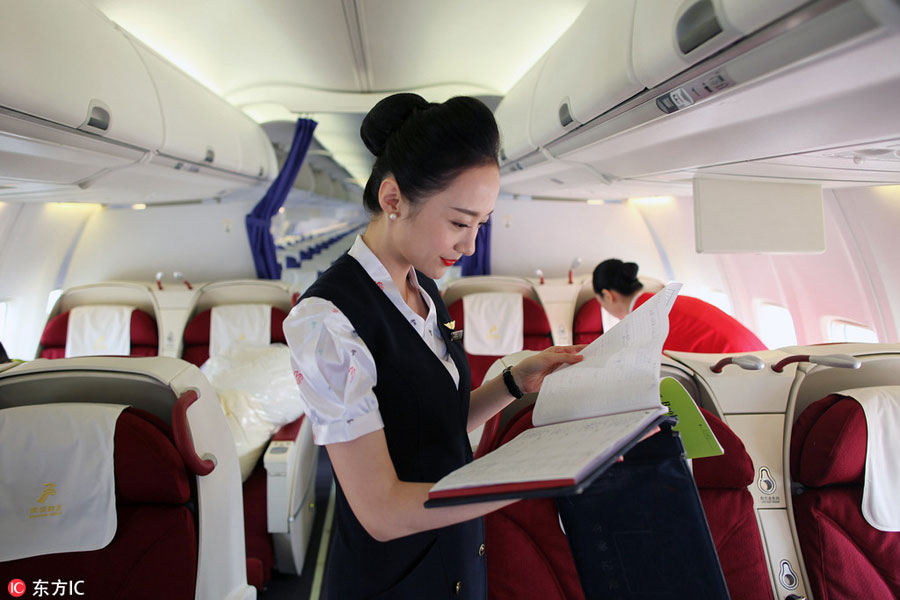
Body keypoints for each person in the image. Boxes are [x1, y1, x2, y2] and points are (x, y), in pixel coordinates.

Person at [283, 93, 584, 599]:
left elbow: (433, 427)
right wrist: (527, 479)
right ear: (393, 199)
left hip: (460, 560)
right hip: (394, 579)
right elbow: (381, 510)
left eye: (480, 225)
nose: (469, 247)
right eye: (460, 223)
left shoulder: (424, 290)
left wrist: (515, 381)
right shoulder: (325, 323)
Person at [592, 258, 767, 353]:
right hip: (764, 360)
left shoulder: (642, 321)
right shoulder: (669, 301)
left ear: (608, 295)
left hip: (737, 370)